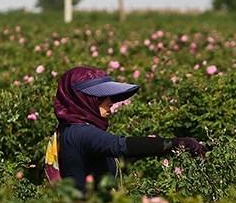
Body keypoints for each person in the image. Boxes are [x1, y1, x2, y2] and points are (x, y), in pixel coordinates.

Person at [44, 66, 207, 193]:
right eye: (101, 97)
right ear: (84, 100)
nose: (110, 102)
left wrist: (155, 145)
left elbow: (111, 161)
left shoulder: (70, 130)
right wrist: (175, 143)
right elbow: (120, 146)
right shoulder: (80, 132)